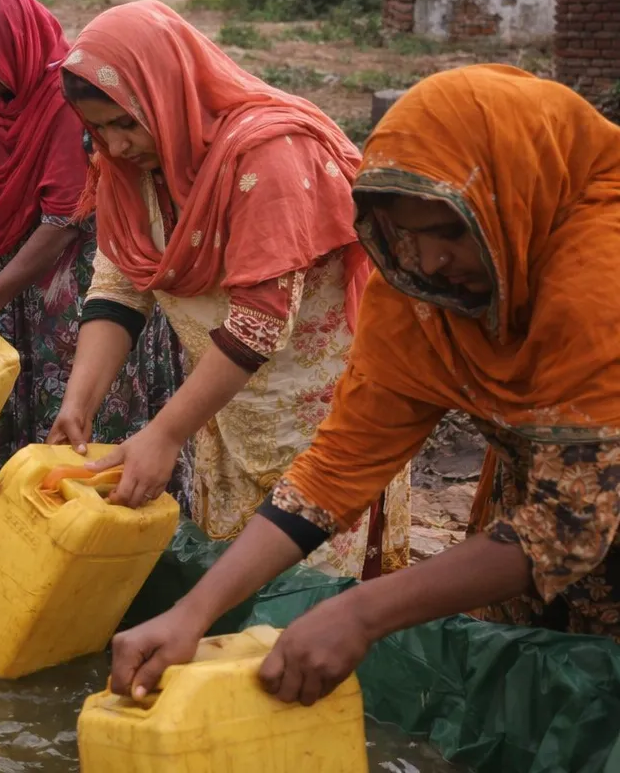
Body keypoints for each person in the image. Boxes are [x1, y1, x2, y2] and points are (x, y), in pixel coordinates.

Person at [110, 64, 620, 707]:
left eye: (449, 232)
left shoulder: (599, 274)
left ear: (511, 200)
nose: (430, 261)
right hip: (534, 526)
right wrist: (193, 612)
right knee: (533, 706)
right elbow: (338, 467)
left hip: (576, 514)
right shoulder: (422, 290)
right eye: (409, 236)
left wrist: (363, 613)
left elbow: (569, 519)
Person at [48, 0, 409, 578]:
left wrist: (163, 434)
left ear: (165, 94)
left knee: (308, 603)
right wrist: (78, 404)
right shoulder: (128, 169)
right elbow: (120, 282)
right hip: (225, 406)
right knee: (234, 594)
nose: (113, 147)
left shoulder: (269, 156)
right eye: (97, 129)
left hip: (317, 419)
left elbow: (260, 321)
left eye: (125, 123)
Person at [0, 0, 183, 481]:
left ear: (10, 45)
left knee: (79, 404)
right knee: (2, 401)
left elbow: (64, 217)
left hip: (71, 278)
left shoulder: (70, 93)